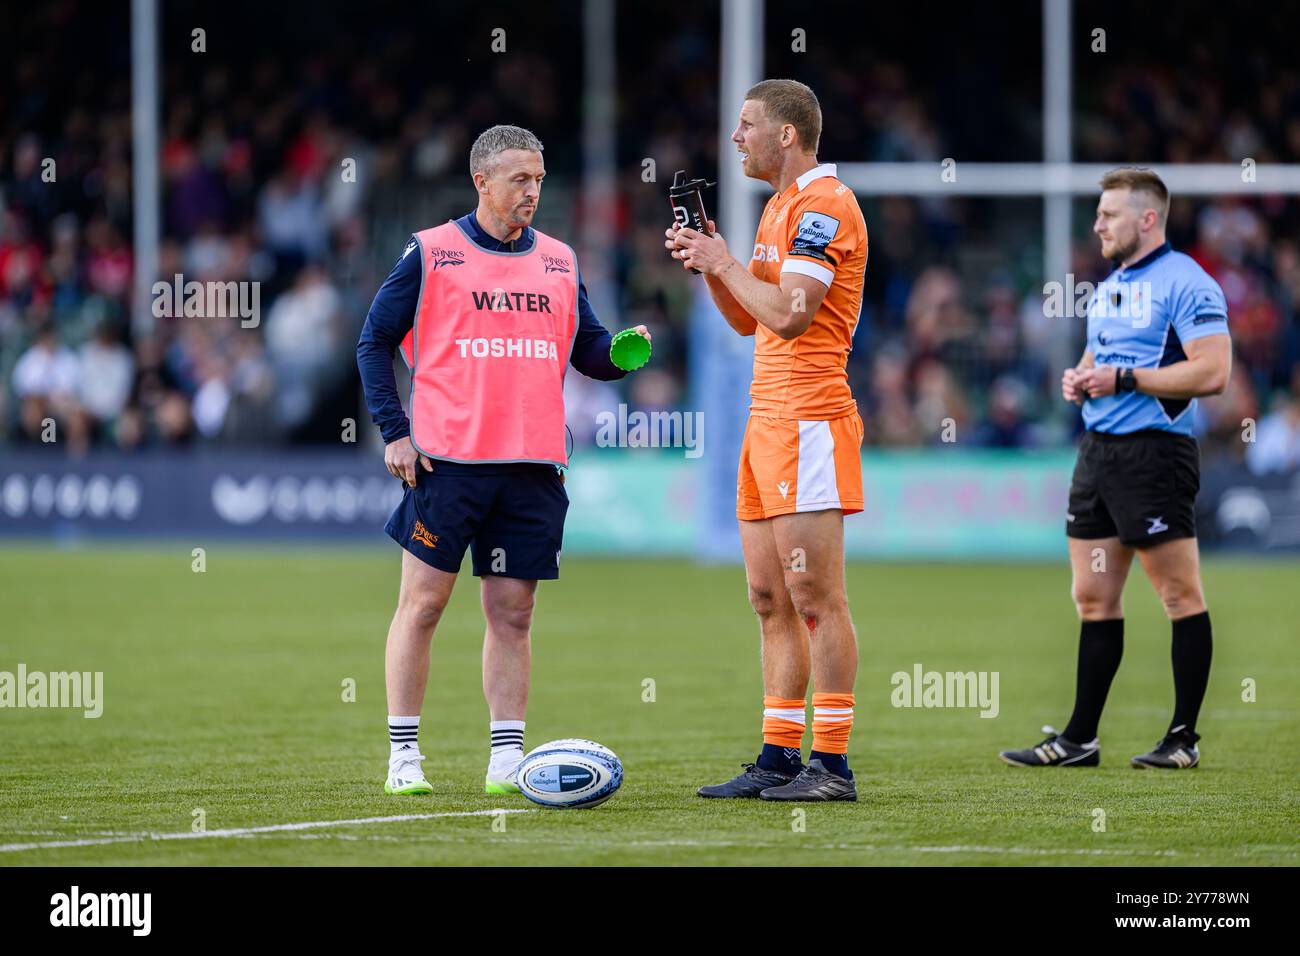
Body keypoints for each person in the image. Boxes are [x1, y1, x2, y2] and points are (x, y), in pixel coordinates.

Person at [356, 125, 649, 795]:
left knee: (513, 613)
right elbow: (374, 341)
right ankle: (404, 758)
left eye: (540, 179)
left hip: (533, 465)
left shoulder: (559, 260)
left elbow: (590, 348)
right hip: (448, 464)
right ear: (483, 182)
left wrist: (621, 352)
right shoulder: (432, 253)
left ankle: (505, 761)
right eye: (520, 179)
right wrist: (394, 431)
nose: (533, 192)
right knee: (423, 606)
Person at [668, 79, 868, 801]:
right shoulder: (779, 209)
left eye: (746, 125)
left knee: (816, 595)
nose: (735, 138)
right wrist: (712, 263)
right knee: (767, 596)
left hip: (810, 418)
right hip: (767, 421)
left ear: (786, 134)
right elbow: (748, 321)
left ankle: (833, 764)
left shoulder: (823, 205)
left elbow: (790, 315)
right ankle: (779, 755)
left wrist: (724, 265)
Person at [1000, 168, 1232, 770]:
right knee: (1092, 597)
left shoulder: (1190, 283)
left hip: (1155, 454)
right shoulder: (1109, 286)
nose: (1097, 224)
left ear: (1147, 219)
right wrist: (1080, 378)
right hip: (1097, 453)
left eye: (1109, 214)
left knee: (1179, 594)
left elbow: (1213, 373)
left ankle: (1183, 739)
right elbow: (1099, 356)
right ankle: (1080, 739)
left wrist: (1124, 379)